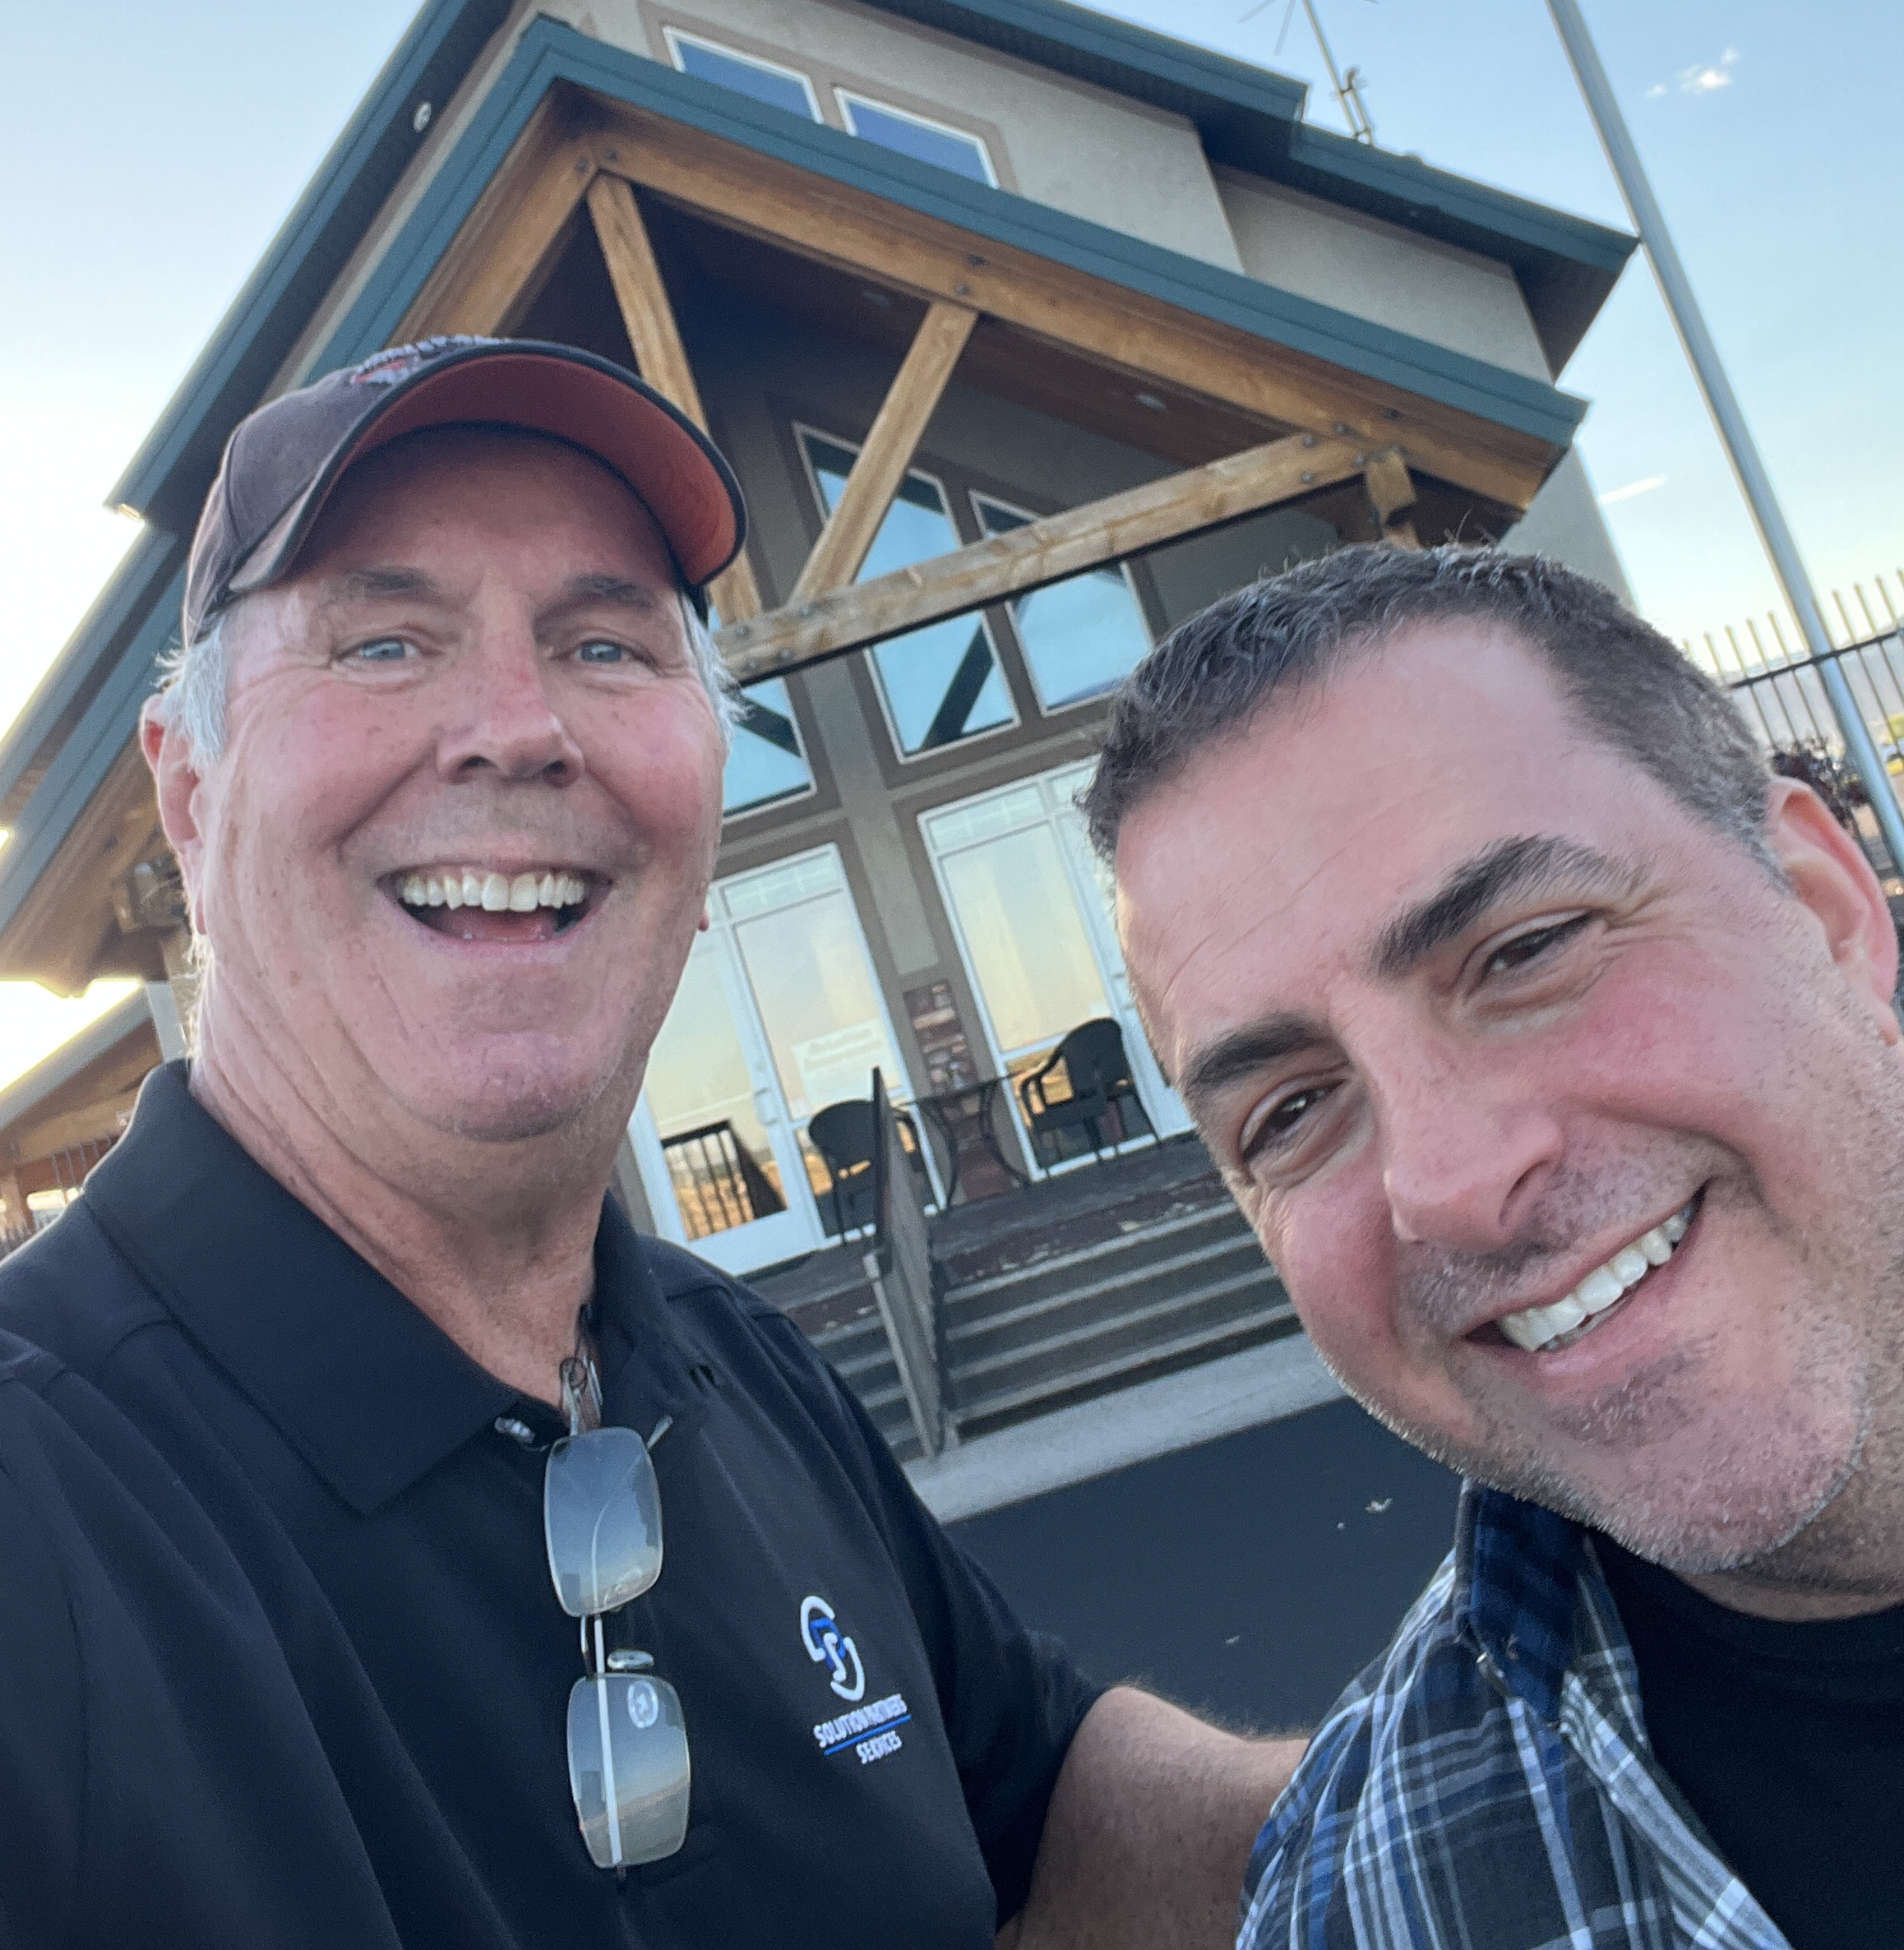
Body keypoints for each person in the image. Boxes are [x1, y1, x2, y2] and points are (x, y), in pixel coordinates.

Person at [0, 334, 1300, 1950]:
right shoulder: (45, 1504)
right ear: (190, 793)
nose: (516, 724)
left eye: (607, 643)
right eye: (387, 638)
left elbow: (1038, 1815)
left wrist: (1473, 1776)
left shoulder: (730, 1358)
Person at [1089, 544, 1904, 1950]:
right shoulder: (1370, 1908)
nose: (1449, 1181)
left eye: (1524, 951)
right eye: (1290, 1111)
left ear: (1827, 912)